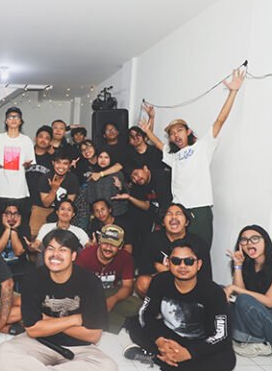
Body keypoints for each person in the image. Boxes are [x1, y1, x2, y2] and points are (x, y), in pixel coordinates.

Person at [0, 229, 118, 371]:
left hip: (79, 348)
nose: (55, 255)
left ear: (73, 255)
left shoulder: (90, 282)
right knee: (4, 354)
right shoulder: (32, 279)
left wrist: (47, 320)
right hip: (40, 343)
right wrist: (75, 319)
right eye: (50, 249)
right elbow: (33, 330)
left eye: (63, 250)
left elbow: (93, 336)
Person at [139, 68, 245, 247]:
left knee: (200, 250)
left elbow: (219, 121)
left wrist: (233, 92)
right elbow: (159, 145)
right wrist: (148, 130)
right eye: (172, 133)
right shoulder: (174, 157)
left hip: (199, 208)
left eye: (179, 130)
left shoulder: (202, 147)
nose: (175, 135)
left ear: (188, 132)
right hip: (178, 210)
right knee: (178, 251)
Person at [124, 240, 235, 371]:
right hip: (169, 336)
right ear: (168, 263)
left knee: (227, 360)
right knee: (134, 324)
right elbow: (146, 314)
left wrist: (189, 353)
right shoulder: (159, 281)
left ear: (198, 264)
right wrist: (160, 341)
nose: (182, 266)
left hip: (199, 343)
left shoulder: (213, 292)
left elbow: (222, 335)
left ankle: (156, 358)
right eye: (176, 261)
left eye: (189, 261)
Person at [225, 225, 272, 357]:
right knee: (219, 291)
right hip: (259, 318)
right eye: (244, 240)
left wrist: (235, 288)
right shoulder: (249, 265)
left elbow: (269, 301)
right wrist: (238, 265)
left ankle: (257, 344)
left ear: (266, 242)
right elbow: (239, 293)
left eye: (255, 238)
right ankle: (236, 337)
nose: (249, 243)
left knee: (243, 298)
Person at [75, 224, 142, 333]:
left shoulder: (126, 258)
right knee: (76, 307)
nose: (108, 248)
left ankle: (95, 319)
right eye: (105, 243)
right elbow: (75, 282)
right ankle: (121, 322)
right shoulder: (86, 255)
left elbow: (127, 286)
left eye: (113, 245)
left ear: (120, 246)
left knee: (137, 306)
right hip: (88, 293)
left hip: (110, 292)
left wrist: (113, 299)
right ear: (99, 241)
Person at [137, 203, 212, 297]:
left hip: (189, 285)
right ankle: (158, 304)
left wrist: (167, 269)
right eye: (169, 214)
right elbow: (144, 269)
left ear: (186, 222)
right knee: (142, 282)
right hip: (163, 283)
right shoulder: (152, 239)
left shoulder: (199, 243)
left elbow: (206, 276)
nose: (174, 217)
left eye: (178, 214)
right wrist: (160, 269)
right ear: (163, 222)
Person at [112, 158, 173, 254]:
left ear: (145, 168)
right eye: (133, 178)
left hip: (172, 212)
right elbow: (146, 206)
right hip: (158, 217)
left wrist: (159, 224)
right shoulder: (140, 185)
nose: (136, 179)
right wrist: (129, 197)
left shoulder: (161, 177)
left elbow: (166, 203)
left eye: (136, 174)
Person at [0, 107, 35, 217]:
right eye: (10, 117)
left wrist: (27, 165)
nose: (13, 119)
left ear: (21, 121)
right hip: (0, 190)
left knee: (19, 222)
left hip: (20, 191)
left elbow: (31, 163)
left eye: (16, 117)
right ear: (6, 121)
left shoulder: (26, 140)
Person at [31, 148, 80, 237]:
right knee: (36, 236)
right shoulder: (45, 178)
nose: (61, 166)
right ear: (53, 163)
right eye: (58, 163)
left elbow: (70, 203)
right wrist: (54, 190)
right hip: (42, 208)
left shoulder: (73, 179)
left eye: (65, 163)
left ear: (69, 165)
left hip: (61, 210)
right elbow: (46, 204)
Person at [0, 202, 33, 285]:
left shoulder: (24, 227)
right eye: (8, 213)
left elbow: (18, 252)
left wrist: (14, 229)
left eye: (16, 214)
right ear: (2, 215)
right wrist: (7, 229)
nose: (12, 217)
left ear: (20, 216)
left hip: (18, 264)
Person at [24, 126, 54, 236]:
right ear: (35, 138)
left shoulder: (53, 160)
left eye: (47, 138)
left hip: (41, 205)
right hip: (23, 201)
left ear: (50, 142)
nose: (43, 140)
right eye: (41, 136)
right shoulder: (26, 155)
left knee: (36, 236)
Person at [86, 150, 128, 218]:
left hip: (118, 213)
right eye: (100, 157)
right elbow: (90, 198)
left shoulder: (118, 174)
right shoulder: (94, 174)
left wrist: (120, 187)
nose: (103, 160)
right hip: (100, 214)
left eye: (106, 157)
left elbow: (126, 195)